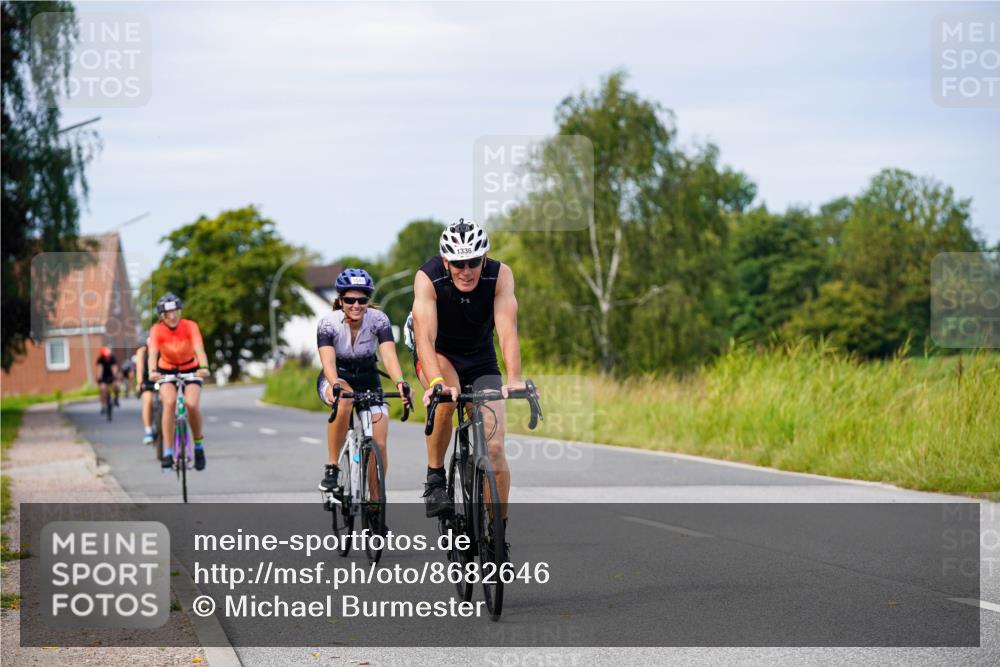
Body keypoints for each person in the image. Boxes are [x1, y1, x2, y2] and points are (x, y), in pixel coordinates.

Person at [410, 218, 526, 521]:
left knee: (496, 448)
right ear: (446, 261)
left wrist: (513, 379)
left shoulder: (500, 275)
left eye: (474, 262)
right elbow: (425, 337)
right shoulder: (428, 277)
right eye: (459, 263)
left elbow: (507, 332)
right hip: (440, 354)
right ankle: (435, 477)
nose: (466, 270)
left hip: (480, 358)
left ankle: (496, 536)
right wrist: (435, 382)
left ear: (483, 258)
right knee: (448, 398)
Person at [316, 268, 413, 497]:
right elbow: (328, 362)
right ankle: (332, 467)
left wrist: (400, 382)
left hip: (368, 377)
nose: (356, 305)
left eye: (362, 300)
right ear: (341, 300)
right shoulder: (328, 324)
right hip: (337, 376)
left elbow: (389, 356)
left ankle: (375, 504)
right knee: (345, 401)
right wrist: (335, 384)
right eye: (350, 300)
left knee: (379, 443)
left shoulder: (378, 320)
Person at [147, 293, 211, 470]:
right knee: (169, 402)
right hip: (166, 370)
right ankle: (168, 451)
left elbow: (199, 349)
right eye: (168, 314)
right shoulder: (157, 330)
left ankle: (198, 446)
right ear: (162, 316)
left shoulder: (190, 326)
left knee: (191, 404)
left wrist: (204, 367)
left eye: (175, 312)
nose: (173, 317)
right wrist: (152, 372)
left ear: (180, 312)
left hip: (191, 368)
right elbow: (152, 353)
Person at [133, 331, 157, 446]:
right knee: (148, 400)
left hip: (160, 379)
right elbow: (139, 368)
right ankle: (148, 431)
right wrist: (139, 382)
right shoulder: (141, 352)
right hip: (147, 381)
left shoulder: (161, 350)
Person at [95, 346, 118, 414]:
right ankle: (103, 406)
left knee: (116, 386)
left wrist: (115, 376)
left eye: (108, 356)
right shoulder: (100, 360)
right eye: (106, 356)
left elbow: (114, 368)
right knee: (103, 389)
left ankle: (116, 398)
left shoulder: (112, 358)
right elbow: (99, 370)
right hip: (103, 377)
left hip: (111, 376)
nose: (107, 357)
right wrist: (99, 378)